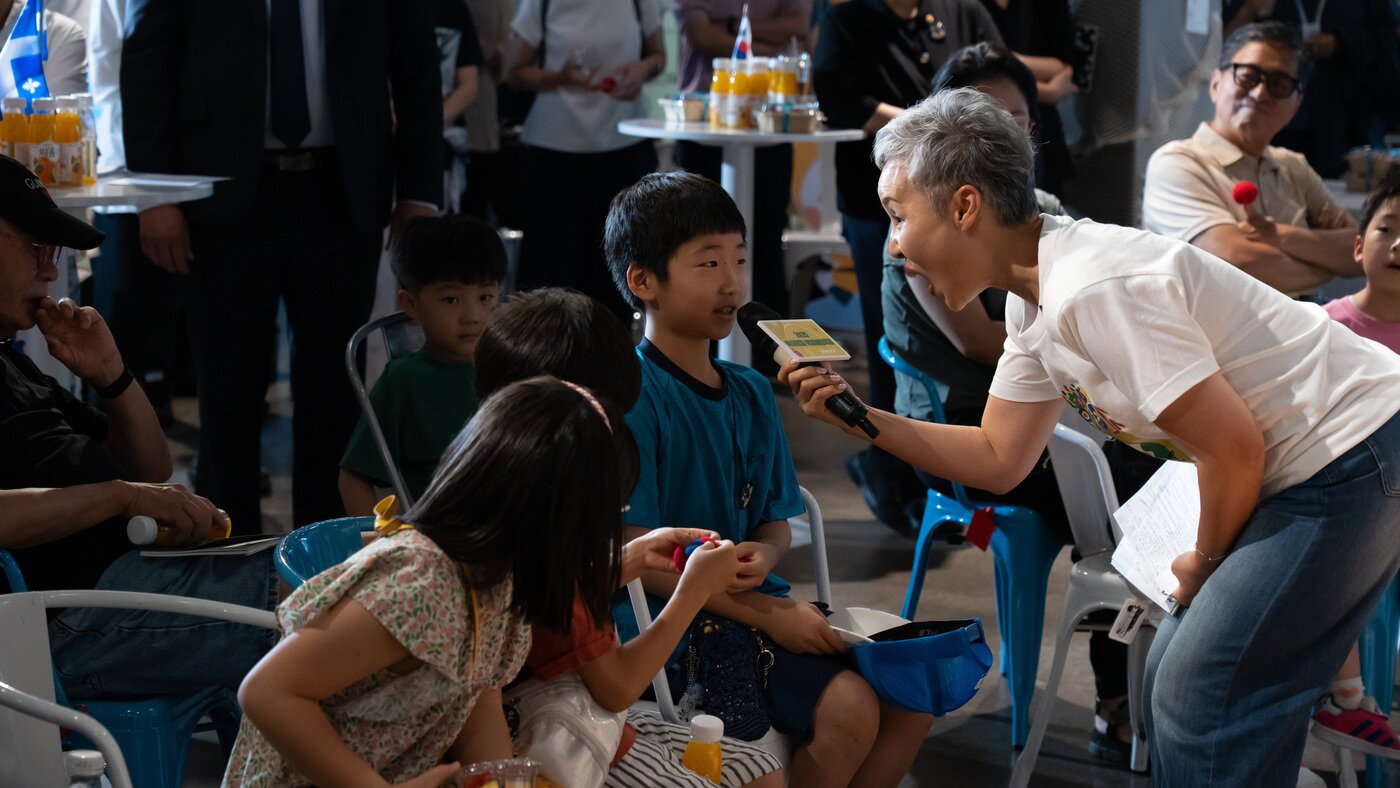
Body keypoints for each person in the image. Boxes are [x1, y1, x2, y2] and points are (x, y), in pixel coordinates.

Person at [782, 87, 1400, 785]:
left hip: (1354, 450)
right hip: (1326, 457)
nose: (893, 244)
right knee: (1174, 676)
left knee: (1203, 692)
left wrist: (1203, 560)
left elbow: (1232, 448)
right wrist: (860, 418)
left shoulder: (1091, 286)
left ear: (964, 206)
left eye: (898, 217)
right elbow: (998, 457)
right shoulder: (1032, 297)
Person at [605, 172, 934, 787]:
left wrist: (767, 551)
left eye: (739, 258)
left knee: (915, 694)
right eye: (707, 263)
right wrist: (766, 613)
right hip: (672, 623)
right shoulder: (631, 397)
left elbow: (775, 523)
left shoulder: (754, 392)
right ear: (643, 281)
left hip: (754, 604)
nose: (732, 282)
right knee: (850, 708)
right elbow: (638, 553)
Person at [881, 42, 1152, 764]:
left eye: (1017, 120)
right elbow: (982, 347)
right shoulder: (917, 238)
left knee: (1133, 477)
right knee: (1124, 491)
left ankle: (1137, 686)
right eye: (986, 122)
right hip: (963, 425)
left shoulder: (1055, 236)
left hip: (1042, 422)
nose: (1006, 139)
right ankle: (1126, 693)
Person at [225, 376, 668, 786]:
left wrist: (496, 779)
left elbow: (478, 699)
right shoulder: (424, 584)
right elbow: (268, 692)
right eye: (602, 515)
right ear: (550, 519)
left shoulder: (503, 582)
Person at [121, 0, 443, 533]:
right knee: (227, 385)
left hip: (342, 192)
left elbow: (416, 67)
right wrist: (156, 195)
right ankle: (227, 548)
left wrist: (418, 194)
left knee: (334, 390)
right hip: (220, 195)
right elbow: (146, 61)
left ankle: (322, 551)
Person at [473, 288, 784, 787]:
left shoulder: (503, 492)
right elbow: (615, 686)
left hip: (572, 711)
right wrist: (693, 592)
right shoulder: (546, 532)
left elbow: (547, 600)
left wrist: (632, 557)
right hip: (553, 728)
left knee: (762, 771)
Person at [0, 154, 273, 699]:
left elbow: (152, 467)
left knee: (346, 565)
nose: (51, 272)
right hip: (57, 618)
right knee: (338, 599)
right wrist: (120, 497)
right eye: (36, 249)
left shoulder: (13, 360)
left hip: (123, 577)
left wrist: (112, 376)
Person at [813, 0, 1002, 535]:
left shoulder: (957, 10)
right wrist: (943, 136)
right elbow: (845, 100)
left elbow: (996, 62)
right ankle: (893, 475)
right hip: (882, 189)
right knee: (894, 336)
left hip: (957, 184)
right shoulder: (847, 16)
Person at [1142, 22, 1360, 298]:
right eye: (1247, 76)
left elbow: (1360, 249)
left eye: (1279, 84)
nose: (1260, 93)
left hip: (1306, 325)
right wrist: (1327, 262)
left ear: (1296, 106)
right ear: (1216, 84)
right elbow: (1238, 263)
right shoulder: (1178, 163)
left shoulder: (1293, 166)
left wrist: (1278, 235)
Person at [1309, 170, 1400, 757]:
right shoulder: (1326, 326)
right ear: (1359, 245)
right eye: (1389, 229)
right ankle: (1347, 697)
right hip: (1345, 495)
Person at [504, 0, 666, 320]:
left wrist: (642, 69)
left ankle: (610, 361)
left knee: (619, 270)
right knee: (550, 276)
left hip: (624, 143)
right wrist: (560, 78)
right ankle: (545, 363)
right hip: (554, 150)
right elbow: (515, 71)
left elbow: (659, 57)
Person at [338, 215, 506, 514]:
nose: (473, 316)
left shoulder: (514, 365)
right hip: (440, 539)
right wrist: (383, 545)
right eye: (451, 300)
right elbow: (353, 478)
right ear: (410, 305)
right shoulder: (404, 380)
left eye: (485, 297)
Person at [673, 0, 810, 316]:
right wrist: (761, 47)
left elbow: (798, 26)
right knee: (699, 238)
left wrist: (733, 27)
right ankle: (702, 344)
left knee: (765, 242)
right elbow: (699, 35)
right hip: (703, 127)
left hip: (770, 126)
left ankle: (769, 355)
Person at [975, 0, 1077, 195]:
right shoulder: (962, 6)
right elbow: (967, 71)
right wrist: (1048, 92)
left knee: (1046, 208)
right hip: (982, 138)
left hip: (1043, 132)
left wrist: (999, 58)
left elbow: (1064, 67)